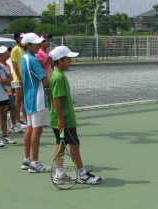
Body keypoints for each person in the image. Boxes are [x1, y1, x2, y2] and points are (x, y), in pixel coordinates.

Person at [49, 46, 102, 185]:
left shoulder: (57, 74)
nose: (70, 61)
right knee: (74, 145)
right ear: (60, 60)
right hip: (64, 119)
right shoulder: (58, 77)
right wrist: (61, 119)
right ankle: (82, 174)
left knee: (60, 145)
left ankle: (59, 174)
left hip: (60, 118)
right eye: (68, 59)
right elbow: (56, 99)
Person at [20, 33, 51, 173]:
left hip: (29, 97)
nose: (39, 45)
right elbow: (44, 79)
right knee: (37, 130)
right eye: (36, 43)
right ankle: (35, 163)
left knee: (30, 128)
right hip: (37, 98)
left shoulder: (24, 58)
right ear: (28, 45)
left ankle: (27, 160)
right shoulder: (33, 60)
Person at [9, 31, 27, 129]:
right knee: (18, 99)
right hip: (19, 78)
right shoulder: (15, 50)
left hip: (26, 78)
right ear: (17, 38)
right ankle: (17, 120)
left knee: (24, 99)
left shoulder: (25, 48)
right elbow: (14, 65)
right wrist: (19, 77)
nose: (23, 39)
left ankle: (26, 119)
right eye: (21, 37)